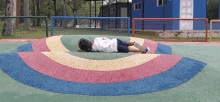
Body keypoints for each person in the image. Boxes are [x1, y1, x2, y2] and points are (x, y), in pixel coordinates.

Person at [77, 37, 150, 53]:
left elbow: (86, 50)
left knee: (129, 49)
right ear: (89, 40)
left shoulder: (93, 49)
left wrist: (80, 50)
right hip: (115, 41)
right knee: (127, 43)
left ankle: (142, 50)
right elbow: (105, 38)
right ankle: (135, 43)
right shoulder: (96, 39)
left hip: (114, 47)